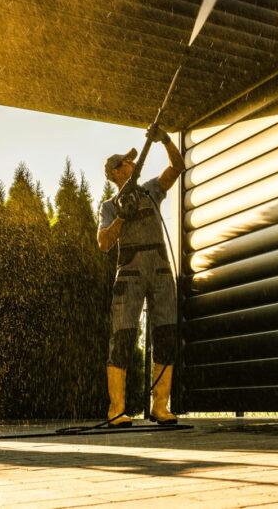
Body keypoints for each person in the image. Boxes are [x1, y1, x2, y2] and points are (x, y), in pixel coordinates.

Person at [97, 124, 185, 426]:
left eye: (134, 161)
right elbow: (104, 243)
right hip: (129, 273)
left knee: (166, 335)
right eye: (127, 162)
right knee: (121, 337)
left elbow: (178, 167)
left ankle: (161, 407)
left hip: (160, 270)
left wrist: (166, 141)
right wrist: (122, 215)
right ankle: (116, 410)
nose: (133, 164)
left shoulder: (150, 190)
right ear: (116, 172)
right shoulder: (109, 206)